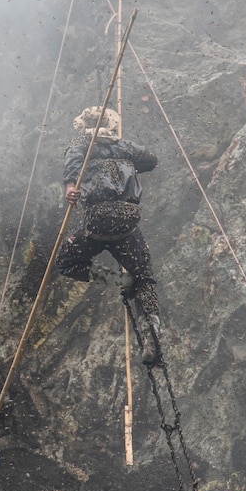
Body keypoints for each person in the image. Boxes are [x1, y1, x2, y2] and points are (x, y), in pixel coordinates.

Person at [56, 106, 163, 364]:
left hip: (98, 221)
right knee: (144, 275)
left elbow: (72, 158)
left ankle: (116, 280)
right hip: (127, 222)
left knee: (65, 261)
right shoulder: (124, 148)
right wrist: (123, 152)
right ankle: (152, 330)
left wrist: (71, 185)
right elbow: (151, 159)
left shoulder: (83, 143)